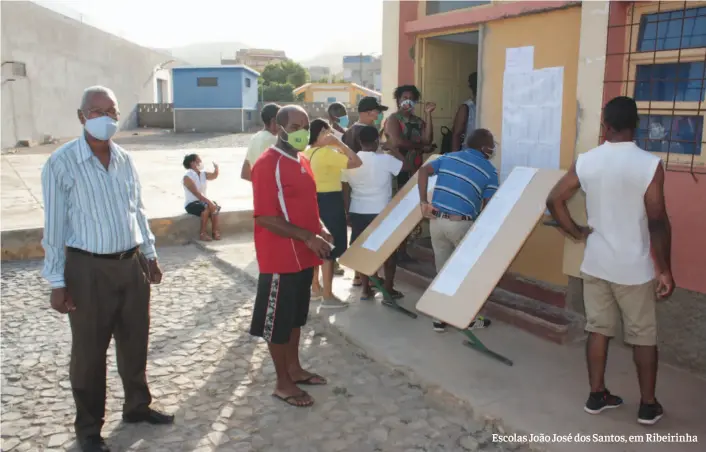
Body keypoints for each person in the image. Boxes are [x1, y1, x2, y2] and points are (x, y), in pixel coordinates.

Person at [41, 86, 173, 452]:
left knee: (135, 341)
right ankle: (88, 429)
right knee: (89, 352)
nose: (105, 118)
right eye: (96, 111)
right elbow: (53, 226)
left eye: (111, 111)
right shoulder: (61, 163)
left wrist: (149, 254)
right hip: (87, 269)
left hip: (130, 265)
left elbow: (138, 210)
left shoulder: (125, 159)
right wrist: (56, 281)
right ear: (81, 116)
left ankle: (137, 406)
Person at [546, 96, 673, 426]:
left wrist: (576, 232)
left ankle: (597, 394)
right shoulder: (649, 164)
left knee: (598, 330)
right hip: (634, 267)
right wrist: (665, 269)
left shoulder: (587, 161)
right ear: (636, 126)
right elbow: (658, 219)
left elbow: (554, 199)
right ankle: (647, 405)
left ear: (605, 126)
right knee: (643, 336)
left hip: (596, 263)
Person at [249, 105, 334, 408]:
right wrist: (307, 237)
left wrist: (320, 229)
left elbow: (307, 205)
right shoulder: (267, 163)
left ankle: (295, 369)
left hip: (305, 255)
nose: (302, 131)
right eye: (295, 126)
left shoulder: (301, 159)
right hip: (280, 258)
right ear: (279, 127)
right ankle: (282, 382)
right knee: (278, 323)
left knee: (296, 318)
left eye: (305, 125)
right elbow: (265, 217)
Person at [418, 129, 496, 333]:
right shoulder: (489, 171)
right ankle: (466, 318)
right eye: (492, 145)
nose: (494, 148)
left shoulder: (449, 157)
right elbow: (488, 206)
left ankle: (439, 318)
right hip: (461, 224)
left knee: (442, 270)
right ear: (484, 147)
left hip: (436, 222)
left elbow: (423, 171)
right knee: (465, 273)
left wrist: (424, 203)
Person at [345, 125, 410, 300]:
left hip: (358, 210)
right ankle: (388, 288)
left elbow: (344, 186)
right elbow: (407, 167)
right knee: (389, 252)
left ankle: (366, 289)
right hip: (382, 211)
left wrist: (347, 212)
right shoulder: (385, 159)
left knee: (364, 251)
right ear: (376, 141)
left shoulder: (350, 160)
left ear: (359, 141)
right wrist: (393, 149)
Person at [303, 119, 362, 306]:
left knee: (317, 244)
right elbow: (356, 162)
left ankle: (315, 287)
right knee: (330, 245)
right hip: (329, 200)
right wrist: (339, 143)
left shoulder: (306, 152)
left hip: (313, 200)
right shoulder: (327, 153)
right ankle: (327, 294)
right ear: (321, 133)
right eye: (327, 132)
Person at [385, 85, 436, 263]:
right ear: (398, 100)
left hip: (415, 170)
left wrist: (429, 114)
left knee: (409, 210)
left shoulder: (418, 120)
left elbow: (428, 139)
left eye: (411, 98)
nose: (407, 100)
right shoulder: (393, 119)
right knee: (396, 210)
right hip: (398, 171)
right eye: (404, 97)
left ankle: (403, 249)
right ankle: (392, 250)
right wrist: (422, 147)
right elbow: (399, 142)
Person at [182, 153, 221, 241]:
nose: (200, 162)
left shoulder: (202, 173)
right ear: (192, 163)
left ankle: (215, 231)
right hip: (191, 203)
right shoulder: (187, 177)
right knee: (206, 207)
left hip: (202, 201)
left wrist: (216, 169)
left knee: (215, 207)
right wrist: (209, 202)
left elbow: (213, 176)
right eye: (198, 160)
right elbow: (196, 193)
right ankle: (202, 233)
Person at [241, 103, 280, 181]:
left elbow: (245, 173)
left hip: (258, 191)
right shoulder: (273, 140)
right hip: (272, 192)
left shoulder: (254, 138)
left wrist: (259, 184)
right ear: (273, 121)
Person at [451, 72, 478, 153]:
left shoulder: (488, 107)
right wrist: (455, 158)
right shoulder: (467, 107)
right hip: (468, 153)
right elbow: (456, 135)